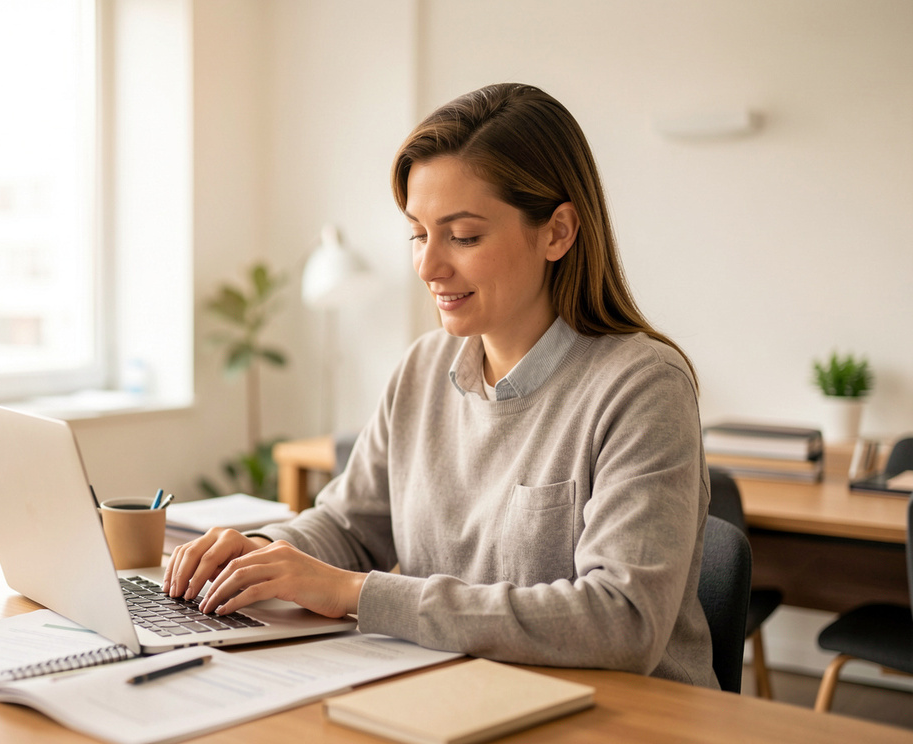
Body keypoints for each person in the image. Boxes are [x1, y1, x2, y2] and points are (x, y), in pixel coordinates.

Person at [164, 83, 716, 688]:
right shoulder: (424, 367)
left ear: (558, 232)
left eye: (464, 236)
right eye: (419, 234)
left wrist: (355, 593)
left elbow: (622, 621)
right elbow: (350, 526)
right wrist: (260, 555)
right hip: (455, 696)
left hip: (622, 732)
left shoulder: (642, 388)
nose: (429, 267)